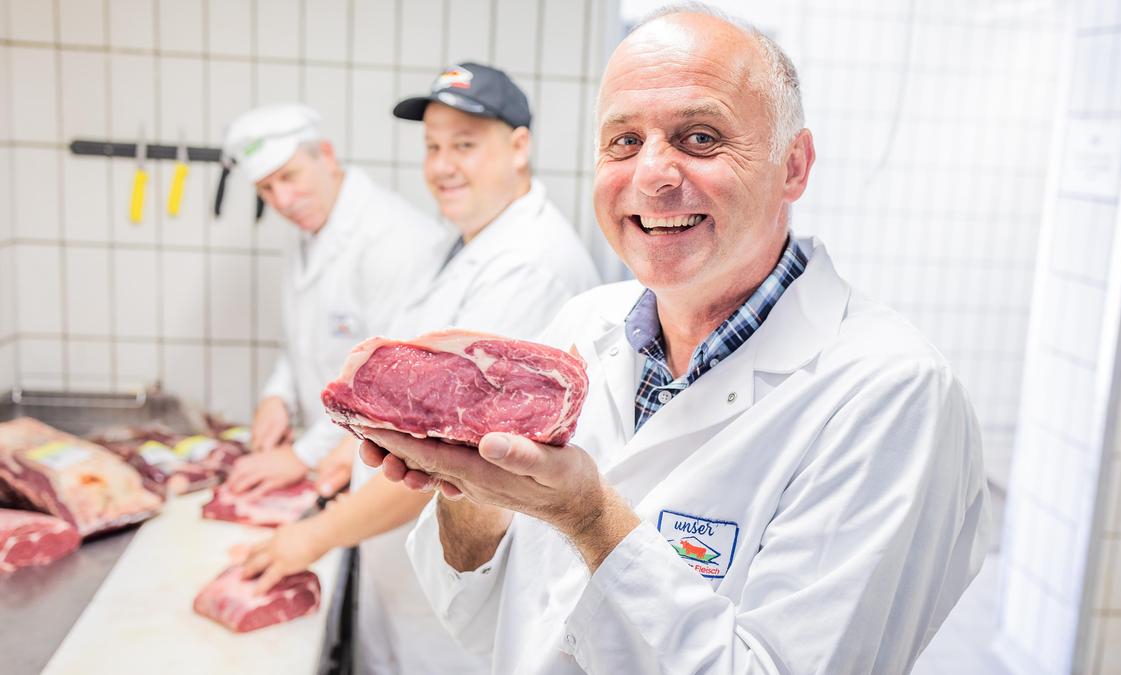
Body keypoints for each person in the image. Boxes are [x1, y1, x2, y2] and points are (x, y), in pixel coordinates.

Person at [360, 7, 992, 674]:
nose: (653, 175)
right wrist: (476, 497)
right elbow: (486, 622)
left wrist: (590, 518)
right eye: (623, 142)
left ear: (794, 166)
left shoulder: (893, 393)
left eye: (699, 137)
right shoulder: (583, 328)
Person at [235, 64, 600, 675]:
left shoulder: (528, 266)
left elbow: (459, 461)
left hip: (459, 598)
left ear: (518, 147)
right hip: (406, 575)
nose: (441, 165)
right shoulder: (460, 242)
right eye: (432, 146)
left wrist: (311, 538)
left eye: (464, 144)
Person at [220, 104, 445, 499]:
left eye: (290, 177)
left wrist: (301, 456)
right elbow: (301, 342)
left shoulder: (393, 239)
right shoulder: (308, 232)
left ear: (325, 155)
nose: (284, 200)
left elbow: (390, 380)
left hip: (389, 473)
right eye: (266, 190)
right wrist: (278, 396)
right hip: (337, 461)